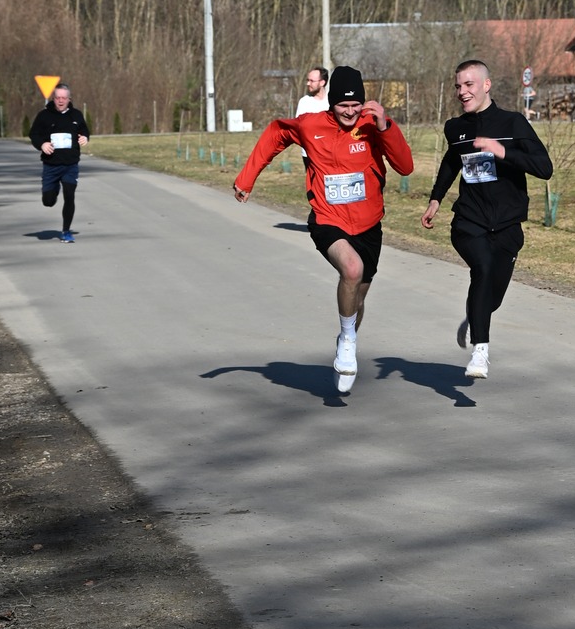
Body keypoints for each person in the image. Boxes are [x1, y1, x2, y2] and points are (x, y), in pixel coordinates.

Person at [233, 65, 413, 390]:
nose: (349, 112)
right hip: (327, 219)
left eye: (355, 105)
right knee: (352, 270)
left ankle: (348, 337)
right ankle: (347, 340)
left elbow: (406, 166)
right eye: (342, 105)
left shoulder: (374, 125)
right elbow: (276, 133)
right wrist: (247, 179)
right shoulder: (311, 125)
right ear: (331, 103)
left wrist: (386, 126)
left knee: (357, 296)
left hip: (369, 224)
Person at [420, 57, 554, 379]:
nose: (462, 92)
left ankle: (476, 316)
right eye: (457, 86)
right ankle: (481, 352)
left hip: (507, 224)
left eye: (468, 85)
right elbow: (452, 162)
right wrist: (436, 199)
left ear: (486, 85)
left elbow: (544, 168)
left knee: (490, 298)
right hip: (469, 220)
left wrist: (501, 150)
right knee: (481, 268)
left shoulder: (512, 124)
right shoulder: (456, 128)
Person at [29, 82, 90, 243]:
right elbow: (34, 134)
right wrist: (42, 144)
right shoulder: (44, 115)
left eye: (64, 98)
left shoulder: (76, 115)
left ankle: (66, 231)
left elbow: (84, 130)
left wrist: (85, 137)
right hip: (51, 165)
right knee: (48, 201)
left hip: (70, 165)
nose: (61, 101)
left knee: (69, 196)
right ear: (53, 98)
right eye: (58, 98)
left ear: (69, 99)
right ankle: (53, 189)